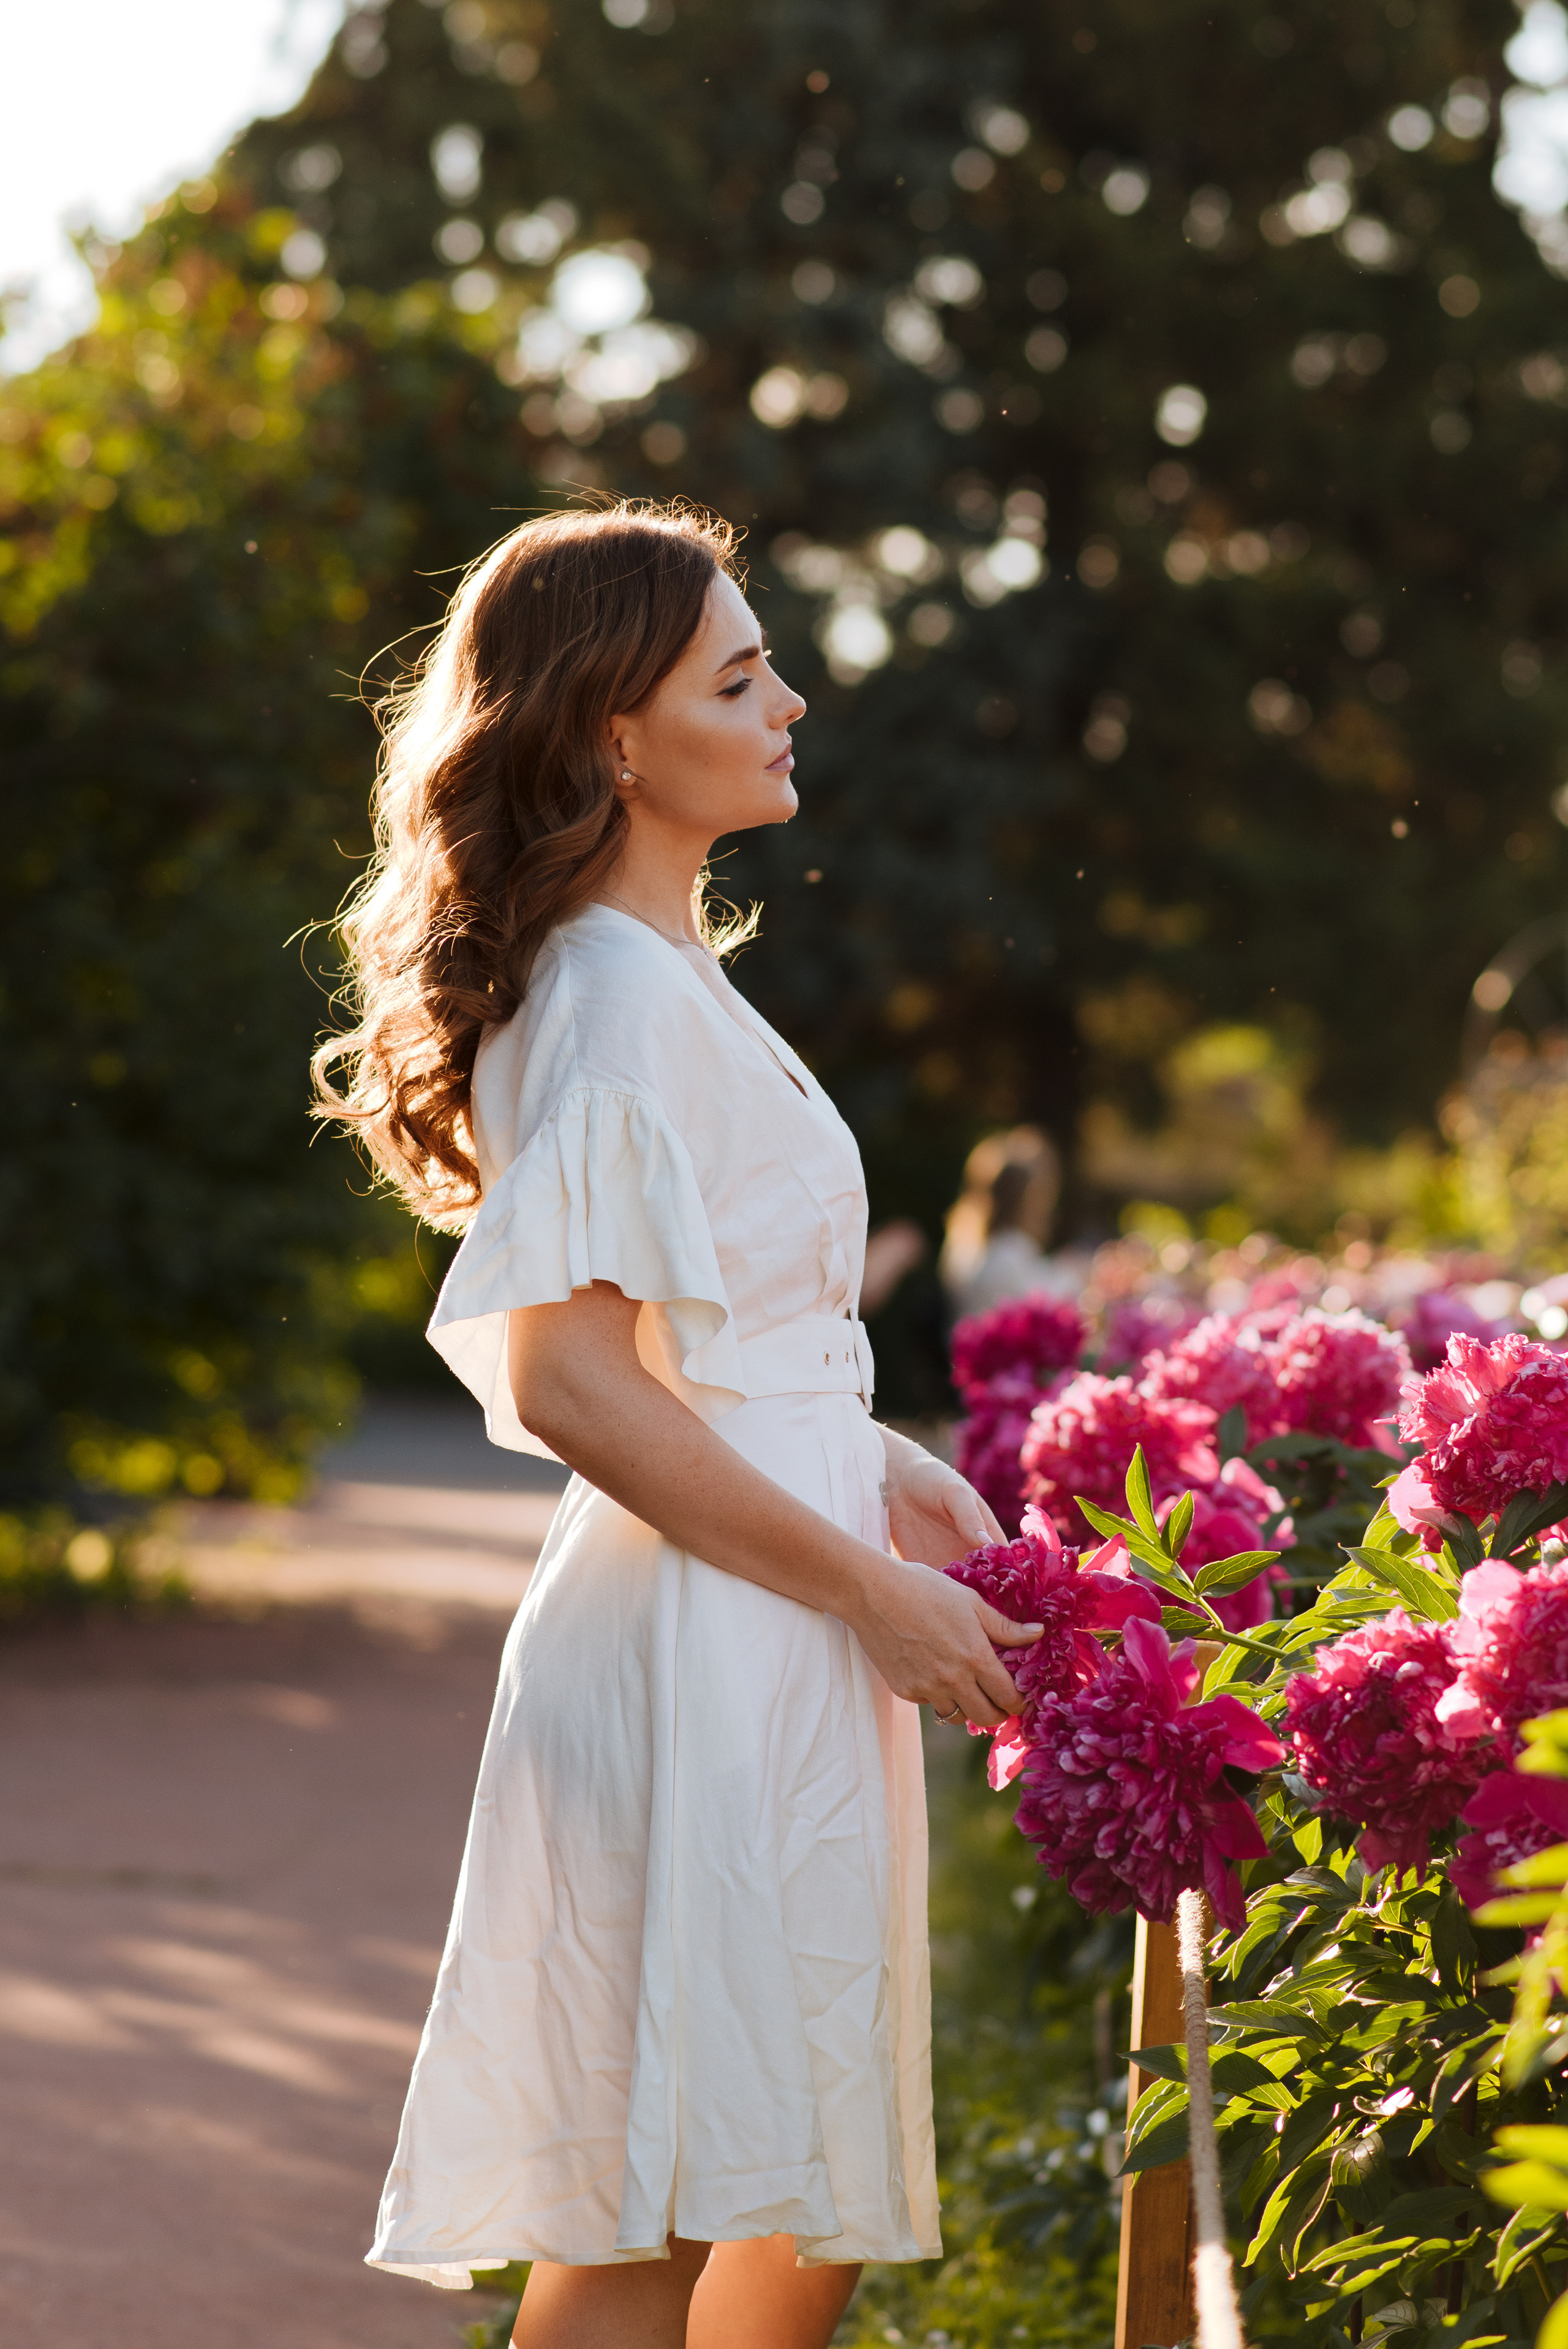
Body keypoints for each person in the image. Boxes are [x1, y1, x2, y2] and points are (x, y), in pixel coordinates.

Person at [314, 501, 1038, 2349]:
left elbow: (699, 1347)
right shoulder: (615, 994)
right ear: (617, 736)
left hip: (755, 1621)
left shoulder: (652, 977)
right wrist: (866, 1591)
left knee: (752, 2195)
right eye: (740, 674)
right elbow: (567, 1378)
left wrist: (873, 1459)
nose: (789, 700)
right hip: (716, 1642)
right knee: (685, 2208)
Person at [938, 1125, 1087, 1321]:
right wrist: (1076, 1272)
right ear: (1027, 1197)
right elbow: (1045, 1308)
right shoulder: (1007, 1252)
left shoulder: (965, 1243)